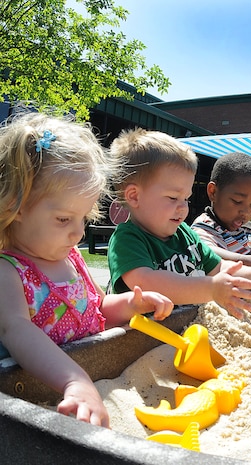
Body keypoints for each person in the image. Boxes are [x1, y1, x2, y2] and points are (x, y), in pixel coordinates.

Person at [0, 111, 175, 428]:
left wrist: (131, 304)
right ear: (16, 205)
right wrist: (74, 381)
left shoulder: (71, 259)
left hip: (93, 377)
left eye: (84, 218)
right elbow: (18, 332)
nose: (78, 234)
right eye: (64, 219)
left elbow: (94, 312)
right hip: (42, 397)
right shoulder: (8, 271)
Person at [107, 129, 251, 319]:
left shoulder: (185, 235)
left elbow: (219, 267)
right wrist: (211, 288)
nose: (183, 208)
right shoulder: (128, 239)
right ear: (134, 196)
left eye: (186, 198)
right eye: (173, 197)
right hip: (145, 336)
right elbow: (146, 284)